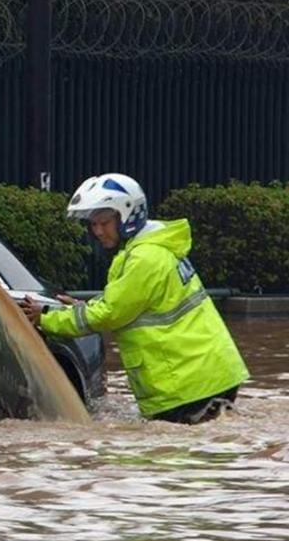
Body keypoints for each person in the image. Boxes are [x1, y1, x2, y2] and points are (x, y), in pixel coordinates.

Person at [20, 173, 248, 424]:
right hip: (204, 376)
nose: (97, 231)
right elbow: (127, 303)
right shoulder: (150, 250)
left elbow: (111, 313)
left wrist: (46, 318)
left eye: (104, 223)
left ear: (127, 216)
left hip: (188, 384)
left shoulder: (144, 258)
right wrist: (85, 307)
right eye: (93, 224)